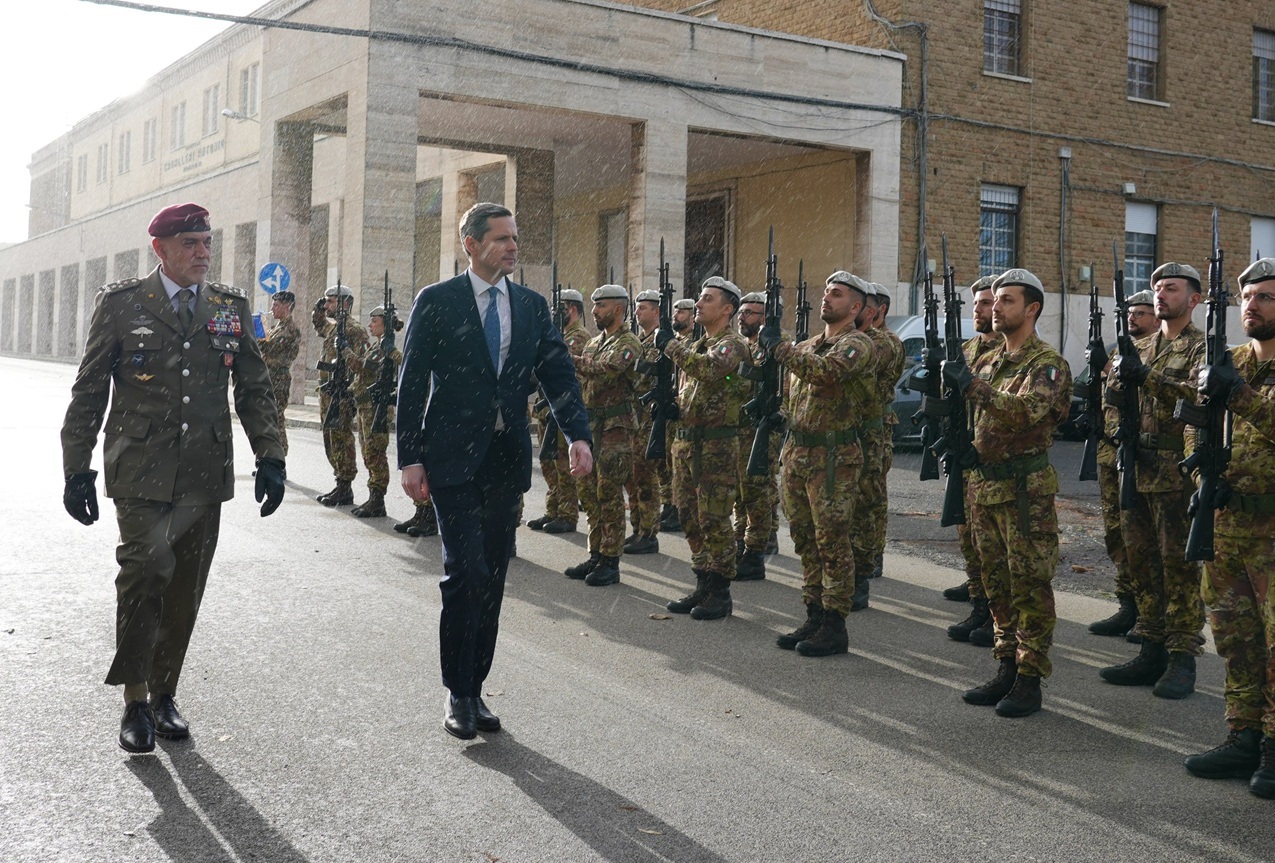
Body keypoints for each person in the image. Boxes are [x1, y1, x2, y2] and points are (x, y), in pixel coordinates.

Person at [60, 202, 286, 753]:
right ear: (160, 249)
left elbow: (254, 388)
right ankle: (135, 700)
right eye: (191, 243)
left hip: (204, 472)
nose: (203, 253)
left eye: (207, 242)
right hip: (139, 470)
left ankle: (165, 694)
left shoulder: (228, 308)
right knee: (144, 574)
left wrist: (272, 456)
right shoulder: (122, 305)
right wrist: (76, 467)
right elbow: (90, 390)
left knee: (184, 588)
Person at [397, 202, 592, 740]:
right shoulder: (437, 302)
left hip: (506, 463)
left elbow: (556, 373)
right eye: (501, 238)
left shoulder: (530, 306)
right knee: (467, 572)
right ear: (471, 244)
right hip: (452, 460)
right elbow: (412, 383)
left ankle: (476, 686)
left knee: (494, 577)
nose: (512, 246)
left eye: (514, 237)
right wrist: (409, 456)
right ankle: (457, 691)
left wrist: (577, 434)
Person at [943, 268, 1071, 718]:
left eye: (1008, 300)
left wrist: (970, 386)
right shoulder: (988, 359)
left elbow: (1023, 414)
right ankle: (1005, 666)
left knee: (1029, 585)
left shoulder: (1047, 365)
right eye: (994, 299)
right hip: (984, 487)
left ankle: (1029, 678)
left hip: (1023, 492)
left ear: (1032, 308)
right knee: (996, 584)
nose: (996, 307)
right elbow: (966, 415)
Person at [1183, 257, 1275, 798]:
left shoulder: (1234, 374)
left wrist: (1236, 392)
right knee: (1236, 638)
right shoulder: (1231, 359)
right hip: (1227, 519)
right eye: (1248, 297)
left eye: (1265, 296)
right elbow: (1198, 421)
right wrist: (1202, 469)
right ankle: (1242, 735)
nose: (1252, 305)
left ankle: (1273, 746)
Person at [1103, 262, 1206, 699]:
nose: (1161, 295)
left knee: (1178, 565)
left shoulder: (1204, 348)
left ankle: (1182, 656)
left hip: (1173, 469)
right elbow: (1113, 395)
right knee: (1141, 559)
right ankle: (1151, 645)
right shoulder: (1139, 347)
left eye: (1172, 288)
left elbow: (1199, 398)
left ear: (1194, 299)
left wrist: (1148, 378)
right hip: (1136, 463)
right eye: (1157, 288)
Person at [769, 272, 875, 655]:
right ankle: (814, 614)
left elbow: (828, 373)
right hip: (798, 455)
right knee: (806, 541)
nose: (827, 299)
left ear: (857, 307)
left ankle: (835, 624)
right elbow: (794, 396)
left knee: (832, 542)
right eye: (827, 292)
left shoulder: (858, 345)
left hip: (833, 460)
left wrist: (782, 349)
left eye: (838, 294)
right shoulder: (809, 345)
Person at [661, 277, 749, 619]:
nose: (698, 304)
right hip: (686, 443)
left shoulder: (733, 344)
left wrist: (671, 345)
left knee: (713, 516)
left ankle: (720, 590)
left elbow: (712, 371)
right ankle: (702, 581)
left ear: (727, 309)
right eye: (699, 298)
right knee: (688, 515)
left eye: (707, 299)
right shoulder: (697, 345)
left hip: (716, 446)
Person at [1086, 289, 1155, 639]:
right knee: (1116, 532)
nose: (1134, 318)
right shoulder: (1118, 353)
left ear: (1157, 317)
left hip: (1142, 457)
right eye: (1131, 313)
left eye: (1142, 313)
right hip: (1109, 454)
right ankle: (1127, 603)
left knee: (1141, 537)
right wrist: (1100, 368)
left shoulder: (1155, 353)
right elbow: (1106, 399)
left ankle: (1149, 613)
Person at [564, 285, 643, 586]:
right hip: (591, 428)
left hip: (615, 430)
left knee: (608, 496)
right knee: (589, 495)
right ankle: (596, 554)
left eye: (602, 305)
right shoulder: (595, 342)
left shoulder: (629, 342)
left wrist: (570, 359)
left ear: (619, 309)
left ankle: (611, 561)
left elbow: (610, 368)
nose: (595, 311)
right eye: (594, 305)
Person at [945, 277, 1000, 645]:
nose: (980, 310)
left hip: (993, 460)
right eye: (977, 304)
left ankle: (996, 616)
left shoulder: (1010, 355)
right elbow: (949, 398)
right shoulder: (968, 348)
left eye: (986, 303)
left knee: (995, 548)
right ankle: (979, 605)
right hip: (965, 453)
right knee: (970, 538)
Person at [528, 289, 588, 535]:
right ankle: (553, 509)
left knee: (564, 463)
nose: (555, 313)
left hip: (563, 410)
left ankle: (567, 513)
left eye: (560, 308)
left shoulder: (578, 337)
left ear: (572, 310)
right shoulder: (554, 334)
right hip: (547, 411)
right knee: (549, 461)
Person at [733, 291, 783, 581]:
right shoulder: (744, 345)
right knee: (743, 491)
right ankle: (743, 542)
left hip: (765, 426)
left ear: (765, 318)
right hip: (744, 426)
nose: (743, 316)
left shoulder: (776, 344)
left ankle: (756, 550)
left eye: (750, 312)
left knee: (758, 491)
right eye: (741, 311)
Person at [312, 284, 370, 507]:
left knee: (341, 436)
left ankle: (345, 484)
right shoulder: (334, 328)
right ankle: (340, 480)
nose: (327, 305)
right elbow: (319, 326)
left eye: (331, 301)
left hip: (342, 392)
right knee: (330, 436)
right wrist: (318, 310)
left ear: (345, 303)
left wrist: (351, 391)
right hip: (328, 390)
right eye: (326, 301)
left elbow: (362, 364)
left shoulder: (354, 330)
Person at [867, 284, 906, 580]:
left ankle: (871, 556)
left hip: (874, 433)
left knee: (871, 498)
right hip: (858, 430)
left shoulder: (886, 343)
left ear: (880, 311)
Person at [351, 305, 403, 518]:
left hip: (377, 407)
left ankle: (378, 498)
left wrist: (345, 350)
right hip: (367, 406)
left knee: (376, 453)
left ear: (386, 324)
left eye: (375, 321)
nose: (370, 325)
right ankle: (374, 497)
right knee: (368, 452)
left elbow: (364, 368)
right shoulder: (378, 346)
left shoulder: (386, 348)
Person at [623, 288, 663, 555]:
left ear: (657, 311)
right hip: (636, 417)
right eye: (636, 307)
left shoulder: (661, 341)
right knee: (633, 476)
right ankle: (637, 528)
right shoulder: (640, 340)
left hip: (650, 417)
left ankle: (649, 532)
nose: (637, 312)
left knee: (646, 477)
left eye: (643, 307)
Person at [258, 290, 300, 455]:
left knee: (276, 419)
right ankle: (269, 456)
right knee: (267, 419)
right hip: (270, 377)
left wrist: (259, 331)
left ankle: (279, 459)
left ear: (287, 307)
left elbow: (271, 348)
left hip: (278, 379)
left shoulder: (289, 329)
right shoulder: (279, 327)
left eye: (276, 305)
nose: (272, 308)